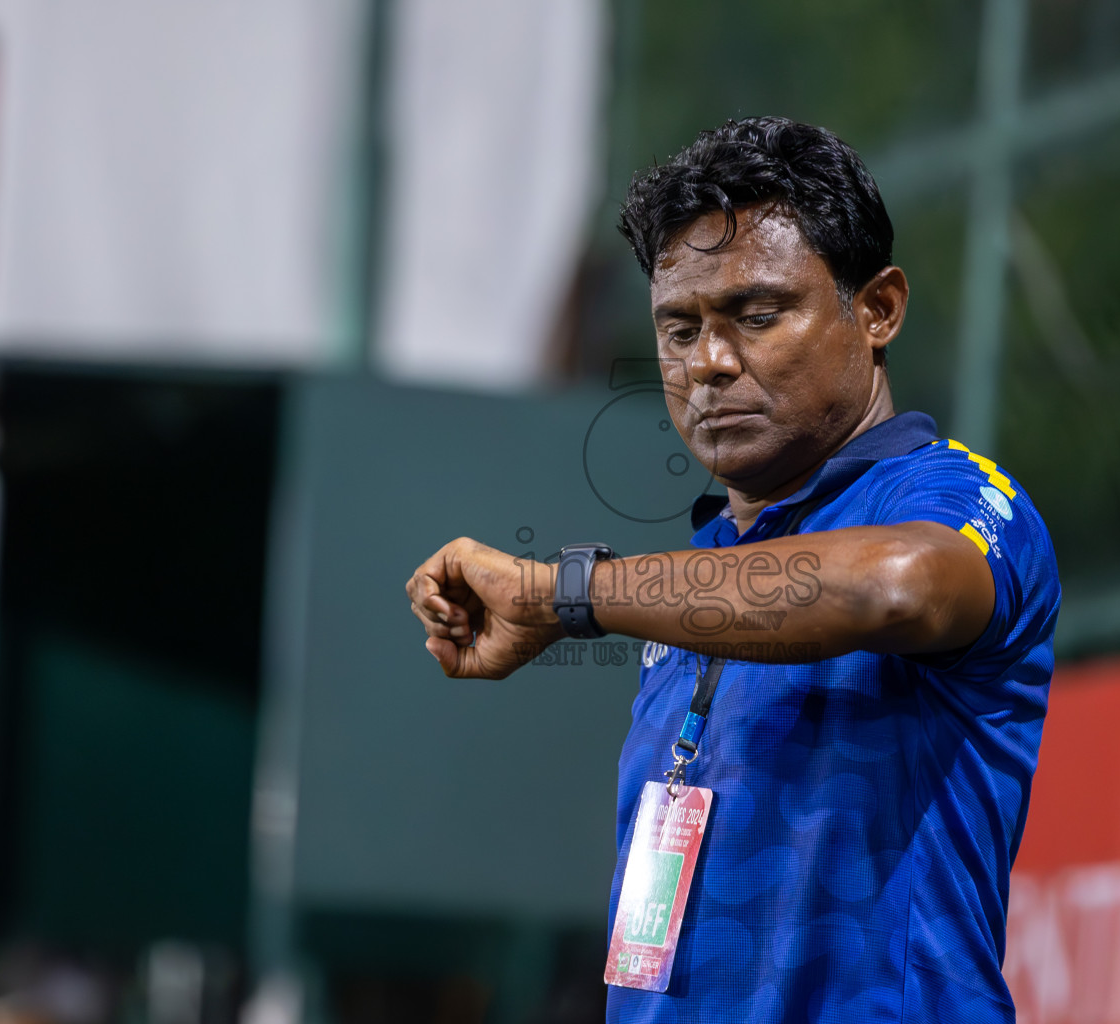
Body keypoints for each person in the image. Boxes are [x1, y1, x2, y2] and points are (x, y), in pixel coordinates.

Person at [407, 116, 1059, 1023]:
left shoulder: (953, 496)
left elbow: (893, 585)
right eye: (679, 329)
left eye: (757, 316)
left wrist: (566, 594)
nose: (708, 364)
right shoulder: (698, 570)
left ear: (877, 311)